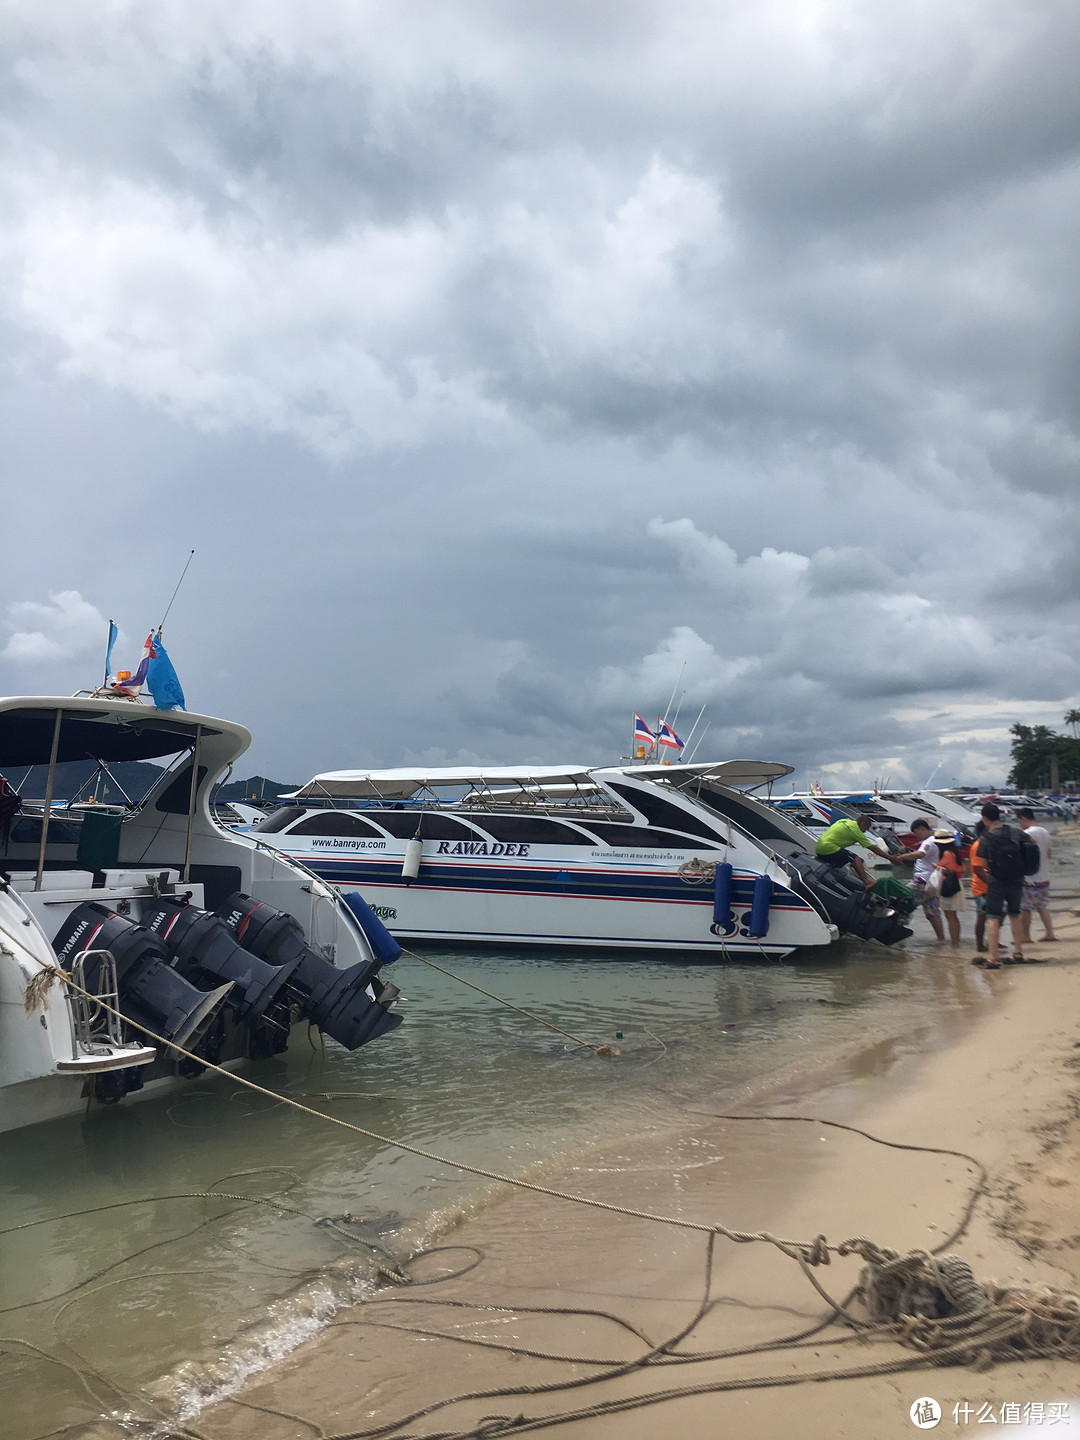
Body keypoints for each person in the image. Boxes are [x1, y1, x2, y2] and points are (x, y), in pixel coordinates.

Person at [975, 802, 1025, 969]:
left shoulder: (986, 838)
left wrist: (993, 870)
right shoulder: (1015, 832)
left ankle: (993, 957)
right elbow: (1031, 842)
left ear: (985, 819)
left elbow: (982, 862)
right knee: (1014, 914)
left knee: (992, 916)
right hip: (1017, 878)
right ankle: (1018, 952)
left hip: (996, 879)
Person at [814, 813, 910, 889]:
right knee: (856, 859)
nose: (864, 832)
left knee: (838, 863)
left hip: (819, 848)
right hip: (828, 848)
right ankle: (867, 882)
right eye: (866, 829)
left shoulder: (844, 821)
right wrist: (891, 858)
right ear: (862, 824)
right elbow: (874, 849)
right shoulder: (855, 829)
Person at [1017, 807, 1055, 944]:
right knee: (1042, 906)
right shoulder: (1045, 832)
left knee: (1026, 908)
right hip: (1044, 876)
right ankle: (1050, 933)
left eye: (1019, 821)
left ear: (1023, 818)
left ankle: (1026, 936)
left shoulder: (1026, 834)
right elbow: (1049, 854)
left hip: (1030, 878)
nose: (1019, 824)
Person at [904, 818, 945, 942]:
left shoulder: (929, 841)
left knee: (901, 898)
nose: (916, 836)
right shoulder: (936, 840)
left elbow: (920, 854)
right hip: (933, 882)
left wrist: (900, 857)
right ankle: (941, 940)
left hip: (923, 881)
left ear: (922, 828)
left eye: (916, 833)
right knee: (932, 913)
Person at [931, 827, 966, 947]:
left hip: (949, 885)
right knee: (951, 915)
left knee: (950, 915)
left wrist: (936, 866)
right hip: (955, 884)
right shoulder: (954, 851)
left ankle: (955, 943)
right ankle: (955, 942)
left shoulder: (947, 854)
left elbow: (948, 870)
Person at [968, 821, 989, 955]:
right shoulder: (978, 846)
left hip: (990, 885)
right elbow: (978, 869)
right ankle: (980, 945)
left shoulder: (988, 844)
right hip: (981, 887)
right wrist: (992, 883)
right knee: (982, 916)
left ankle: (992, 940)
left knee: (999, 914)